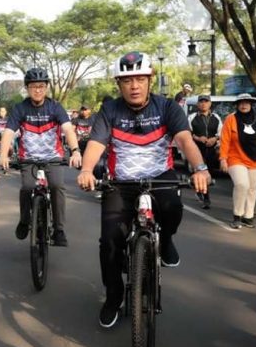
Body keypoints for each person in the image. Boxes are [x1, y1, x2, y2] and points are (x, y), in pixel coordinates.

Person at [76, 51, 210, 328]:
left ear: (150, 80)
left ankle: (168, 238)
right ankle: (114, 297)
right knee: (110, 241)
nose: (134, 85)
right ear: (118, 84)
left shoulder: (167, 107)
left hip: (160, 176)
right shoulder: (110, 111)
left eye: (140, 78)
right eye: (127, 81)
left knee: (173, 208)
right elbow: (96, 145)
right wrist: (87, 170)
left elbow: (184, 140)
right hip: (121, 182)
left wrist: (200, 168)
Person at [0, 68, 82, 247]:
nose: (38, 90)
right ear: (27, 88)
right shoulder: (20, 108)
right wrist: (4, 154)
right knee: (27, 187)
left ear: (47, 87)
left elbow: (68, 129)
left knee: (57, 186)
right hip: (28, 158)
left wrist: (75, 151)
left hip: (53, 157)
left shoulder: (55, 107)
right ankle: (24, 220)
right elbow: (8, 132)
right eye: (34, 86)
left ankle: (59, 229)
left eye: (42, 86)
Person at [220, 93, 256, 229]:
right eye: (241, 103)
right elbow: (225, 140)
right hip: (235, 158)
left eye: (246, 102)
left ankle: (248, 216)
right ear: (237, 105)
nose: (243, 105)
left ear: (251, 104)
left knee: (252, 189)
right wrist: (223, 159)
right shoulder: (231, 119)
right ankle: (237, 216)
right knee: (241, 184)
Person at [187, 94, 222, 209]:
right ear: (197, 104)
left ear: (210, 104)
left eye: (206, 101)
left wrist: (215, 139)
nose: (203, 104)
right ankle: (206, 199)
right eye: (201, 101)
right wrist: (198, 138)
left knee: (209, 174)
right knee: (201, 172)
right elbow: (187, 133)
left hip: (211, 150)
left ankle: (200, 190)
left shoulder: (216, 117)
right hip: (197, 150)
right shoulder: (192, 118)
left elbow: (221, 133)